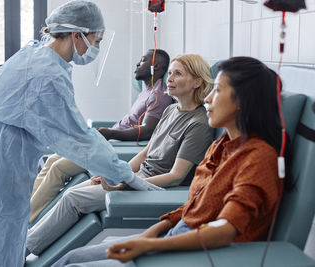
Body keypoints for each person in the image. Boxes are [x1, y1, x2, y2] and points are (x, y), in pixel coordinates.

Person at [0, 1, 161, 267]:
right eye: (95, 41)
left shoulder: (37, 56)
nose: (95, 48)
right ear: (77, 35)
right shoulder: (47, 74)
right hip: (0, 155)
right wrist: (123, 173)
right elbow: (79, 138)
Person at [52, 56, 290, 267]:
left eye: (217, 90)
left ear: (243, 100)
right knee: (71, 258)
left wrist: (148, 246)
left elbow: (224, 230)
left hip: (201, 251)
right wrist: (153, 232)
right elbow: (196, 206)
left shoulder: (257, 159)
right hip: (176, 233)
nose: (208, 98)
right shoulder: (221, 146)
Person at [26, 54, 214, 255]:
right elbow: (145, 153)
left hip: (150, 185)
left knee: (74, 198)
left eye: (178, 74)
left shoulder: (199, 124)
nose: (169, 79)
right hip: (137, 178)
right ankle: (26, 239)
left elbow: (176, 176)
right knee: (69, 194)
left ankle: (23, 250)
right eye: (170, 73)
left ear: (197, 82)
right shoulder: (170, 110)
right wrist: (119, 175)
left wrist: (128, 184)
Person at [29, 49, 173, 223]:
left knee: (58, 168)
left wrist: (110, 133)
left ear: (155, 66)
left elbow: (148, 131)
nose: (137, 64)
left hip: (115, 150)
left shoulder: (159, 96)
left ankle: (30, 219)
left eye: (142, 61)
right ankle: (27, 208)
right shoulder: (146, 92)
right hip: (105, 144)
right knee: (52, 159)